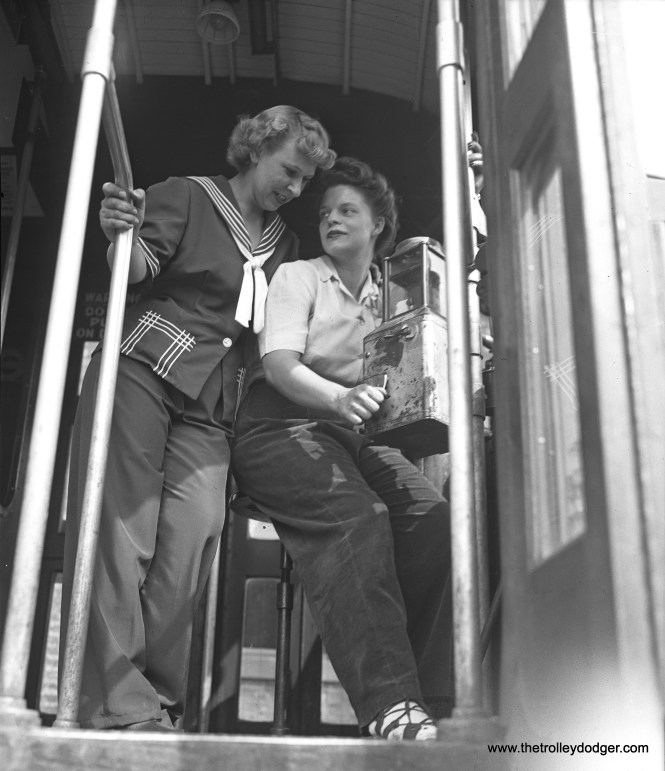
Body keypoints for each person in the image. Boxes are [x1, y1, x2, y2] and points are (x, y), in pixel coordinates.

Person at [59, 106, 336, 731]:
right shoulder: (186, 196)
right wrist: (118, 236)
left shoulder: (288, 247)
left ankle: (156, 704)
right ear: (257, 149)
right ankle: (115, 707)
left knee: (194, 534)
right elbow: (133, 271)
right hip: (143, 367)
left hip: (213, 406)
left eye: (303, 182)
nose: (293, 189)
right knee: (122, 527)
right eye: (288, 171)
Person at [230, 157, 453, 741]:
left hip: (352, 436)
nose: (331, 218)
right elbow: (279, 366)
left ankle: (433, 701)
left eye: (347, 210)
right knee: (358, 518)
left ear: (379, 222)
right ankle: (391, 707)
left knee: (433, 520)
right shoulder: (298, 276)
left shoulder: (394, 295)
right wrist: (340, 398)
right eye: (325, 211)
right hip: (278, 427)